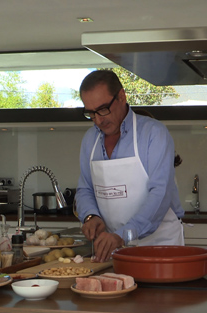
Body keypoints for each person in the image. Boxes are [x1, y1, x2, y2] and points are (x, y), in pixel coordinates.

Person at [76, 70, 184, 262]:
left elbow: (160, 193)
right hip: (113, 251)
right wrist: (91, 216)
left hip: (159, 249)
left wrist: (122, 235)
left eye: (103, 109)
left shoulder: (153, 133)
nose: (99, 120)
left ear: (121, 97)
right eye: (91, 113)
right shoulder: (89, 140)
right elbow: (85, 188)